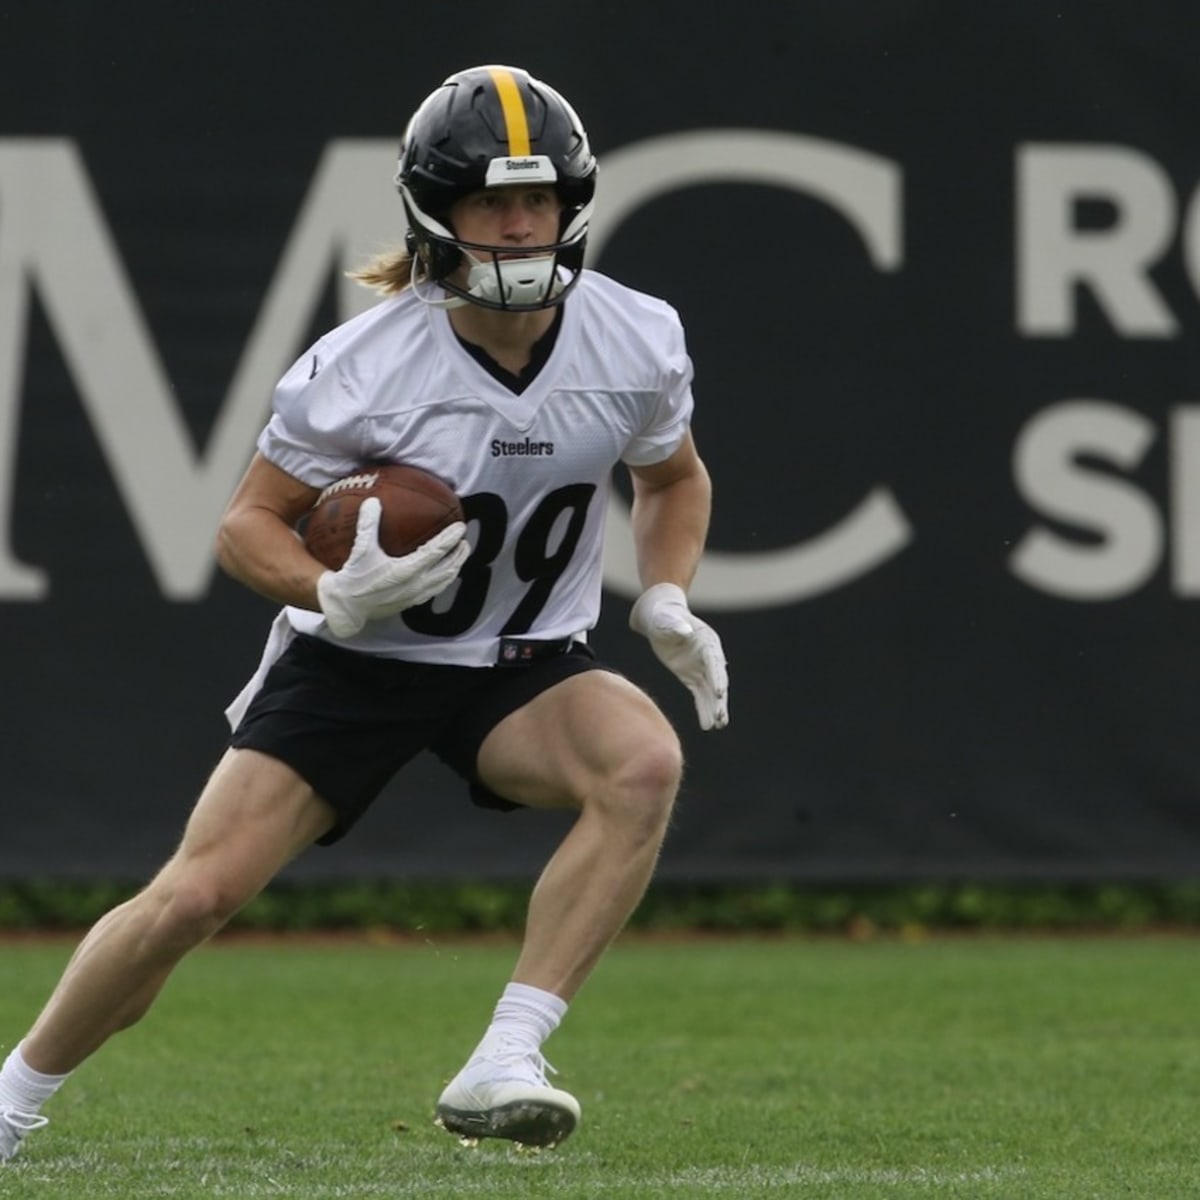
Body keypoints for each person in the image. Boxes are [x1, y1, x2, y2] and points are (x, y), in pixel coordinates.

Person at [0, 62, 728, 1161]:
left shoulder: (633, 336)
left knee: (641, 762)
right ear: (438, 213)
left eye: (538, 200)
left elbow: (672, 479)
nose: (522, 225)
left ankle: (507, 1055)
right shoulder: (364, 365)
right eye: (493, 201)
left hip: (521, 661)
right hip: (359, 659)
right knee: (194, 899)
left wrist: (667, 592)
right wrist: (325, 590)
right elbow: (248, 523)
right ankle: (11, 1100)